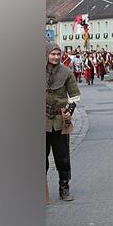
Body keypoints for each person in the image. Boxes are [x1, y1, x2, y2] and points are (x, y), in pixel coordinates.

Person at [46, 41, 80, 201]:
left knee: (63, 157)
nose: (55, 57)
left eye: (58, 54)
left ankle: (64, 188)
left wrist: (69, 111)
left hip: (60, 119)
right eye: (53, 54)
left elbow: (74, 96)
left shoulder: (67, 72)